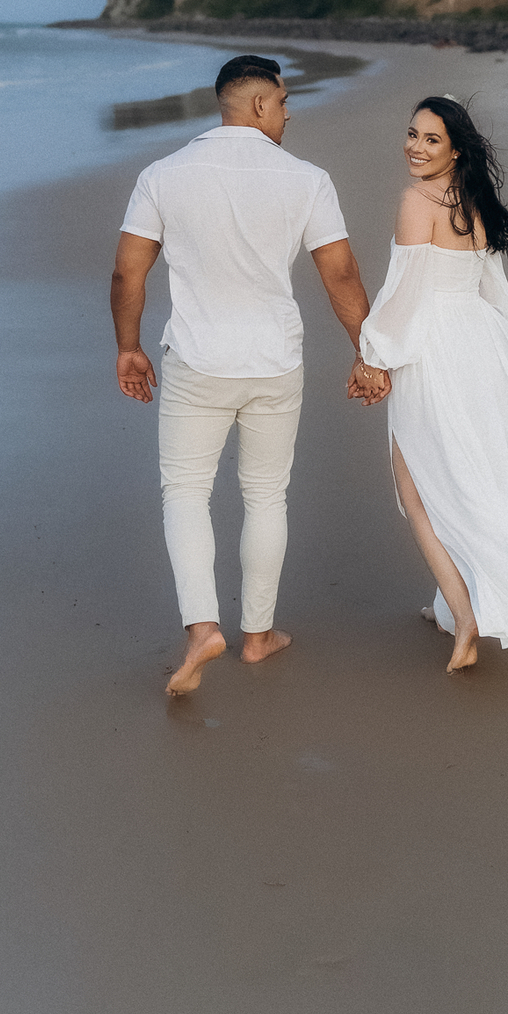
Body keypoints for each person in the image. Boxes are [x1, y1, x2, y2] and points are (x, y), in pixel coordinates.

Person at [111, 53, 388, 697]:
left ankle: (203, 628)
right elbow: (340, 273)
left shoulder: (163, 174)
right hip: (273, 361)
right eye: (285, 102)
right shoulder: (306, 180)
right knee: (266, 494)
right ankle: (258, 636)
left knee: (185, 492)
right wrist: (366, 351)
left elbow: (129, 271)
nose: (289, 113)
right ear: (260, 104)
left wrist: (129, 347)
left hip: (197, 361)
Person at [351, 97, 508, 672]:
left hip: (434, 351)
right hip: (483, 346)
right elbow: (496, 291)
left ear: (455, 149)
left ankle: (466, 617)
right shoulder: (475, 201)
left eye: (431, 140)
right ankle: (462, 601)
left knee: (416, 488)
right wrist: (500, 347)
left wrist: (372, 355)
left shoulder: (416, 200)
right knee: (476, 475)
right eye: (412, 133)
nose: (416, 146)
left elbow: (406, 292)